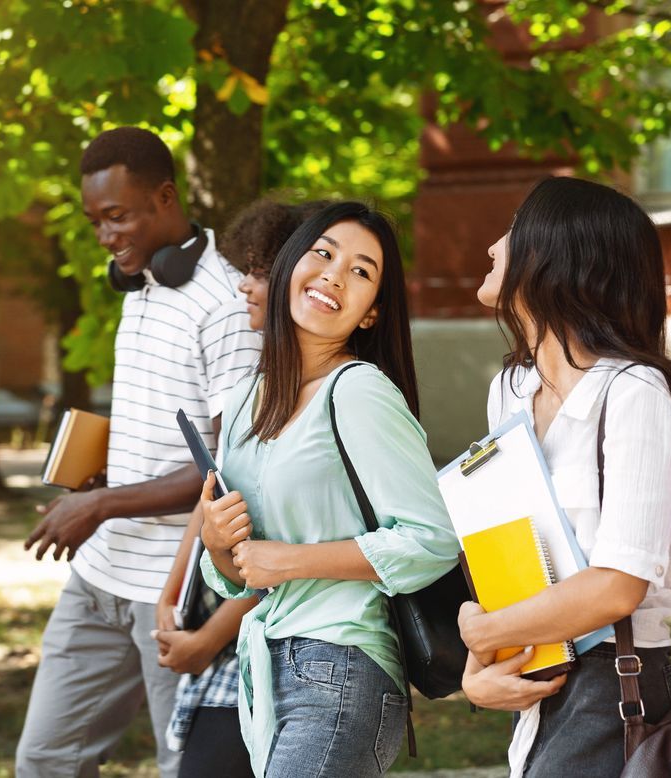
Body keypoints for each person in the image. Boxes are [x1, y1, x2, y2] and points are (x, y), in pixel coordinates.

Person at [16, 126, 261, 777]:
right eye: (95, 221)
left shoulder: (227, 306)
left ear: (165, 198)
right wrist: (103, 474)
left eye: (117, 217)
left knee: (183, 767)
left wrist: (101, 503)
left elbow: (230, 469)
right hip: (98, 577)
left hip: (173, 590)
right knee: (45, 760)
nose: (105, 236)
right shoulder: (143, 282)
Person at [453, 176, 671, 777]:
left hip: (616, 683)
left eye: (515, 229)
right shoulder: (509, 390)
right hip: (540, 671)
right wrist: (484, 663)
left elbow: (618, 585)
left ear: (558, 253)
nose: (495, 245)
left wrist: (484, 632)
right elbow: (511, 552)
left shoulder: (634, 392)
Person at [198, 201, 460, 776]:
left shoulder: (360, 391)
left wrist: (291, 561)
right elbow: (234, 573)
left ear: (370, 314)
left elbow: (432, 539)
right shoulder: (245, 401)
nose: (335, 274)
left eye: (361, 271)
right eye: (323, 253)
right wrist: (217, 540)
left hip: (343, 668)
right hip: (267, 670)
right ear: (291, 264)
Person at [152, 197, 326, 778]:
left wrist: (206, 640)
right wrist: (172, 596)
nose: (244, 288)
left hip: (268, 649)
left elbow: (281, 546)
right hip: (223, 641)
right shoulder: (257, 389)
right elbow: (213, 501)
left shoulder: (320, 399)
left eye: (258, 272)